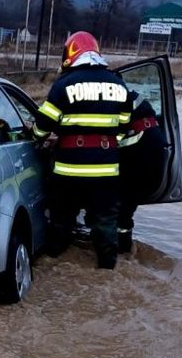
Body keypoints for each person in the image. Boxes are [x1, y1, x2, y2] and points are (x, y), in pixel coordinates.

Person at [33, 30, 133, 269]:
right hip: (106, 170)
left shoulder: (63, 85)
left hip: (69, 169)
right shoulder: (119, 84)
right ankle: (107, 265)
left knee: (62, 216)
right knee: (105, 221)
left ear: (71, 53)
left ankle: (55, 258)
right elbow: (124, 127)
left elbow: (43, 125)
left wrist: (39, 138)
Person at [116, 91, 169, 253]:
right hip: (152, 150)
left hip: (140, 155)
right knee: (124, 208)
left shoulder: (109, 98)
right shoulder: (129, 95)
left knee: (121, 208)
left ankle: (121, 253)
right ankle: (123, 253)